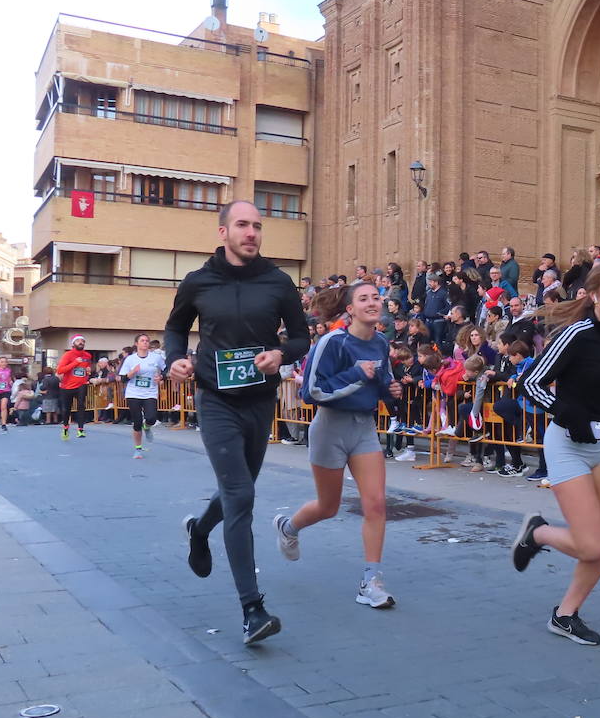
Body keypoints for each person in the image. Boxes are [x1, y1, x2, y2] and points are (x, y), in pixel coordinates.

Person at [167, 201, 311, 646]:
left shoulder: (278, 281)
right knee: (241, 494)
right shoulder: (198, 281)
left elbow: (302, 335)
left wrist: (281, 354)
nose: (251, 233)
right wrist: (175, 359)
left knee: (239, 488)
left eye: (257, 226)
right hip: (215, 401)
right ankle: (253, 609)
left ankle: (199, 528)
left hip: (259, 402)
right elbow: (175, 328)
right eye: (243, 225)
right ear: (223, 231)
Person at [510, 263, 600, 646]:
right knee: (592, 543)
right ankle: (538, 533)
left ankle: (565, 615)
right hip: (567, 446)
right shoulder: (577, 334)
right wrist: (566, 412)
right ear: (595, 295)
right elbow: (530, 382)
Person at [275, 282, 401, 609]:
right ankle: (288, 527)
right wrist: (357, 375)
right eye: (364, 299)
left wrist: (392, 392)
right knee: (328, 506)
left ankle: (370, 581)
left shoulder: (382, 343)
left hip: (364, 428)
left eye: (376, 297)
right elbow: (311, 392)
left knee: (375, 505)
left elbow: (381, 383)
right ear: (350, 309)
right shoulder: (332, 342)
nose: (373, 302)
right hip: (329, 427)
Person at [119, 334, 165, 458]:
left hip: (150, 392)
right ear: (136, 344)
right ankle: (138, 449)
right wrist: (132, 372)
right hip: (133, 393)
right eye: (142, 340)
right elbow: (122, 379)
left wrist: (161, 377)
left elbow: (166, 370)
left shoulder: (156, 358)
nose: (145, 343)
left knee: (151, 418)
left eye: (147, 341)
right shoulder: (130, 359)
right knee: (137, 421)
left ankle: (147, 426)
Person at [56, 335, 93, 439]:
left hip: (81, 384)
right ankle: (65, 427)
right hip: (67, 386)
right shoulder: (68, 355)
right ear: (73, 344)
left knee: (81, 405)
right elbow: (60, 370)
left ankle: (80, 430)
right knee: (66, 409)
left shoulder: (87, 355)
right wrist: (75, 363)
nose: (81, 342)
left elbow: (86, 367)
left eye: (82, 341)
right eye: (78, 341)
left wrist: (88, 370)